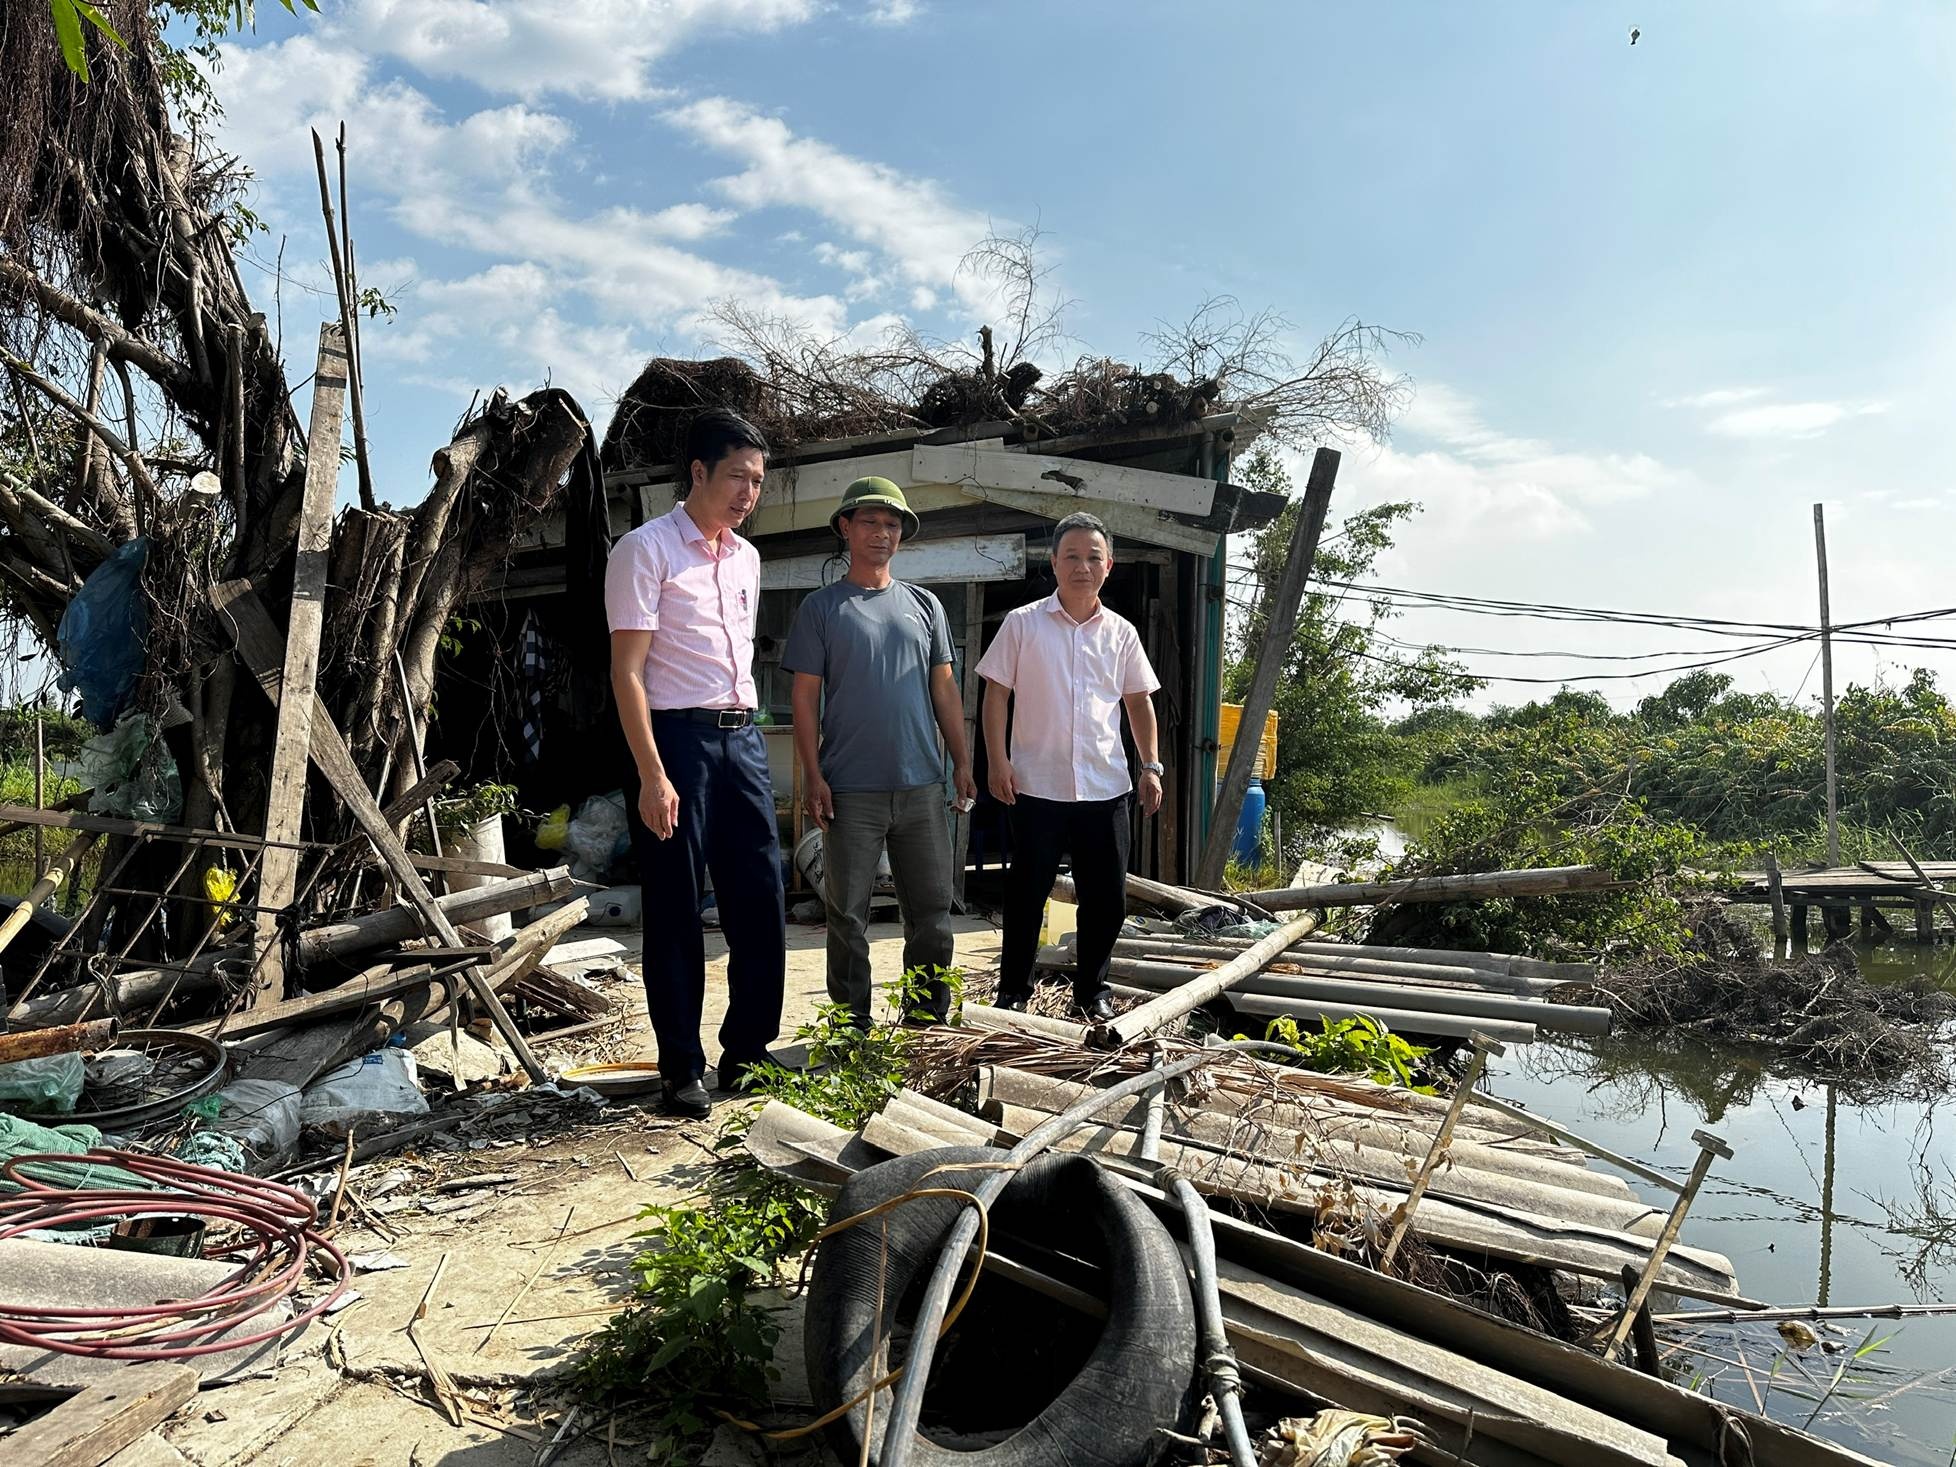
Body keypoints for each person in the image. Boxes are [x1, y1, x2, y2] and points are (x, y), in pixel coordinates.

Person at [604, 409, 785, 1118]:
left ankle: (749, 1050)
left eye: (759, 481)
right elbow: (628, 672)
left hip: (743, 740)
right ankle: (681, 1065)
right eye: (738, 475)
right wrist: (652, 772)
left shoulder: (747, 558)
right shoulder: (645, 550)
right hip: (676, 741)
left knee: (761, 898)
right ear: (700, 472)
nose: (749, 491)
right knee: (677, 906)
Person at [783, 477, 977, 1029]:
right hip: (849, 788)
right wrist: (813, 777)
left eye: (892, 524)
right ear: (845, 528)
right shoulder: (821, 608)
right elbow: (804, 699)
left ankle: (925, 1020)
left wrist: (960, 762)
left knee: (934, 914)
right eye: (870, 522)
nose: (882, 533)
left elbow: (944, 689)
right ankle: (851, 1028)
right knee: (847, 916)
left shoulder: (925, 605)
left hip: (922, 786)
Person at [977, 512, 1163, 1021]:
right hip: (1036, 785)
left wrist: (1150, 766)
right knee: (1025, 895)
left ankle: (1092, 992)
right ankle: (1013, 989)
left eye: (1093, 557)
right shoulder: (1023, 624)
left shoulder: (1121, 633)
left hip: (1105, 788)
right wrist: (998, 761)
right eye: (1072, 556)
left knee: (1105, 899)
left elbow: (1138, 703)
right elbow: (997, 696)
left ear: (1109, 566)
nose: (1083, 566)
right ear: (1054, 562)